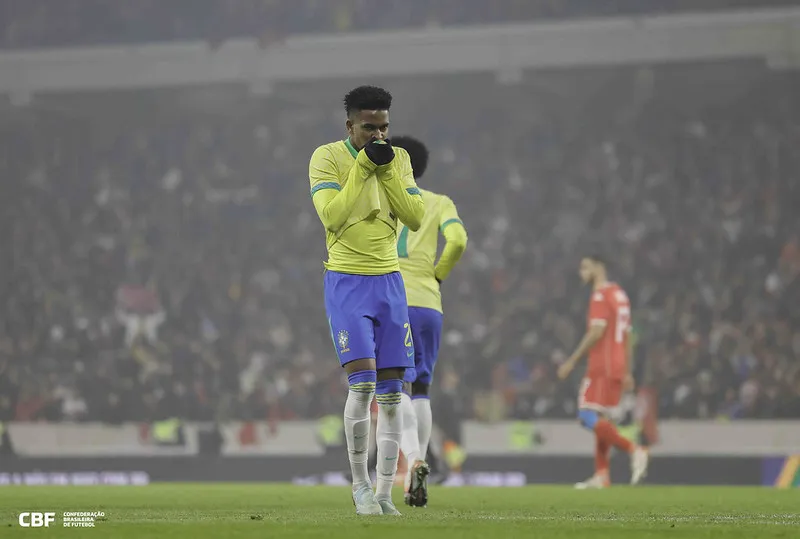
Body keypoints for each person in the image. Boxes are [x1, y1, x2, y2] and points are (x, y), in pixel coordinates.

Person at [308, 86, 425, 515]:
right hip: (347, 282)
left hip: (389, 283)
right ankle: (359, 487)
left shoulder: (400, 160)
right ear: (350, 126)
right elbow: (332, 215)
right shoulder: (326, 158)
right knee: (362, 386)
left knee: (394, 396)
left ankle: (383, 493)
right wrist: (362, 166)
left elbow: (413, 217)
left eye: (384, 128)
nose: (378, 136)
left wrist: (387, 169)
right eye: (369, 128)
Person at [391, 135, 468, 507]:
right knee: (422, 388)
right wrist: (437, 275)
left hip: (393, 300)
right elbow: (458, 241)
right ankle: (418, 476)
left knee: (393, 387)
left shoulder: (382, 199)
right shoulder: (440, 202)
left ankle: (411, 465)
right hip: (429, 305)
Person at [557, 254, 649, 488]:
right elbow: (628, 335)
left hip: (602, 366)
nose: (582, 273)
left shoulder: (600, 295)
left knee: (586, 416)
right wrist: (627, 370)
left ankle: (634, 450)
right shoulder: (620, 295)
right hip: (617, 366)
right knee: (603, 420)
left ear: (599, 267)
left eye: (585, 267)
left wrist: (571, 361)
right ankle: (602, 475)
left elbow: (596, 332)